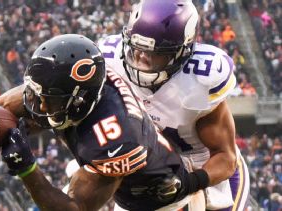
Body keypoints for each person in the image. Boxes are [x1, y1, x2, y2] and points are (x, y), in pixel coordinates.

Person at [0, 34, 208, 210]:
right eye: (37, 93)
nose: (40, 106)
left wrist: (27, 169)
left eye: (51, 100)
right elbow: (0, 108)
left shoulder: (115, 140)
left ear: (80, 100)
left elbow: (74, 208)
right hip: (110, 170)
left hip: (155, 200)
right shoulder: (66, 88)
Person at [97, 0, 250, 210]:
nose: (141, 57)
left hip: (205, 171)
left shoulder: (200, 79)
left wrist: (189, 184)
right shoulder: (110, 60)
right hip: (149, 170)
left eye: (154, 52)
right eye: (136, 48)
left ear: (181, 52)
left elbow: (225, 158)